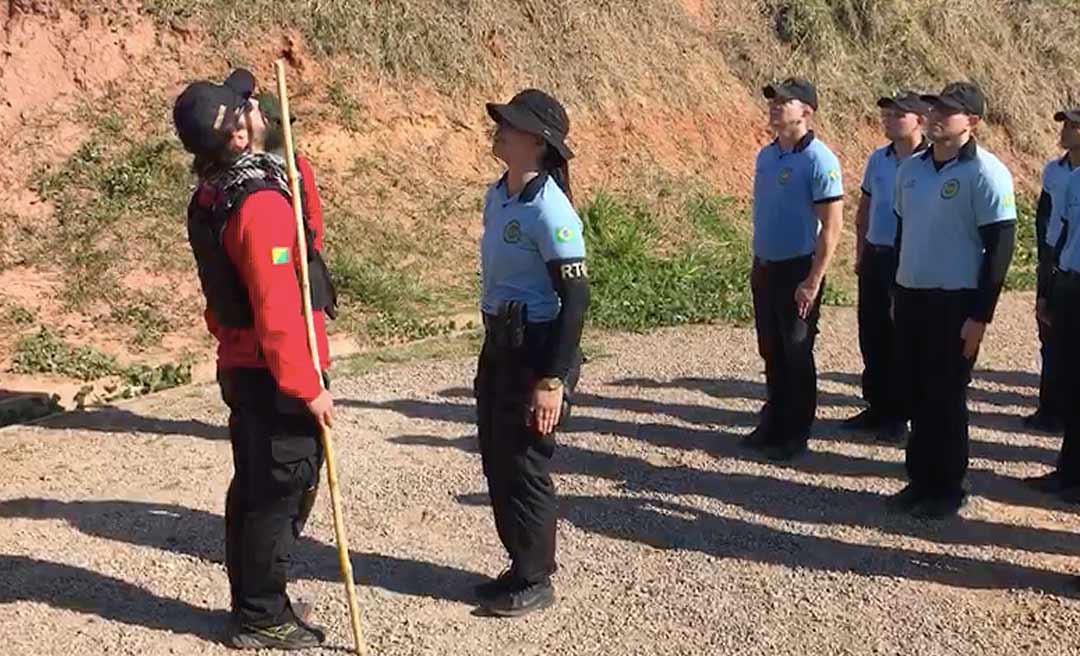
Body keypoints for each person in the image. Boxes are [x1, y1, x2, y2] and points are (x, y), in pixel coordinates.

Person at [173, 69, 337, 650]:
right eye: (248, 110)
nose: (260, 110)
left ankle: (259, 598)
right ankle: (262, 613)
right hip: (274, 372)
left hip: (243, 365)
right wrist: (306, 385)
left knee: (255, 487)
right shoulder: (259, 204)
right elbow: (278, 308)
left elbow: (308, 233)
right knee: (279, 491)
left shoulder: (218, 189)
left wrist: (291, 162)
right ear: (238, 136)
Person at [473, 88, 590, 617]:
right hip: (499, 344)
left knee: (525, 466)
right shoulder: (498, 194)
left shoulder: (551, 210)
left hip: (536, 350)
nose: (499, 130)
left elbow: (576, 297)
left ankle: (537, 578)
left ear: (537, 143)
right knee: (498, 458)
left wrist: (553, 380)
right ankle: (518, 565)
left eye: (510, 125)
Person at [888, 82, 1016, 519]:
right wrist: (896, 289)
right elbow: (904, 233)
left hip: (955, 302)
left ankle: (948, 487)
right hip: (912, 297)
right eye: (935, 106)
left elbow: (999, 247)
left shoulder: (986, 172)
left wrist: (981, 316)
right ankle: (919, 479)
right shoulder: (911, 170)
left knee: (946, 395)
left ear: (972, 122)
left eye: (949, 109)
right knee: (916, 391)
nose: (936, 114)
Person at [745, 77, 844, 461]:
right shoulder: (767, 156)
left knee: (796, 352)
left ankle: (795, 431)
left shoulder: (820, 159)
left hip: (798, 269)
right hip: (766, 266)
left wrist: (812, 280)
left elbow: (832, 226)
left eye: (785, 102)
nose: (775, 107)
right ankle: (773, 422)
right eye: (773, 101)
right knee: (770, 348)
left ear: (806, 111)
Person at [843, 91, 930, 443]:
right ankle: (876, 406)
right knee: (872, 333)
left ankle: (899, 415)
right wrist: (861, 252)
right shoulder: (878, 159)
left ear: (919, 120)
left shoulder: (929, 162)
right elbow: (864, 208)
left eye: (898, 114)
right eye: (887, 114)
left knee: (901, 338)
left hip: (907, 257)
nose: (889, 119)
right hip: (877, 255)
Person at [1021, 109, 1080, 434]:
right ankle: (1049, 406)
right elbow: (1043, 214)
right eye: (1066, 125)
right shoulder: (1054, 171)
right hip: (1053, 255)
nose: (1066, 132)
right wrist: (1045, 256)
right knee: (1048, 333)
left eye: (1074, 126)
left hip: (1073, 261)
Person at [1033, 130, 1080, 504]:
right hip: (1070, 282)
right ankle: (1069, 470)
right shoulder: (1073, 179)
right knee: (1069, 379)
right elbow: (1057, 233)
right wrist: (1047, 289)